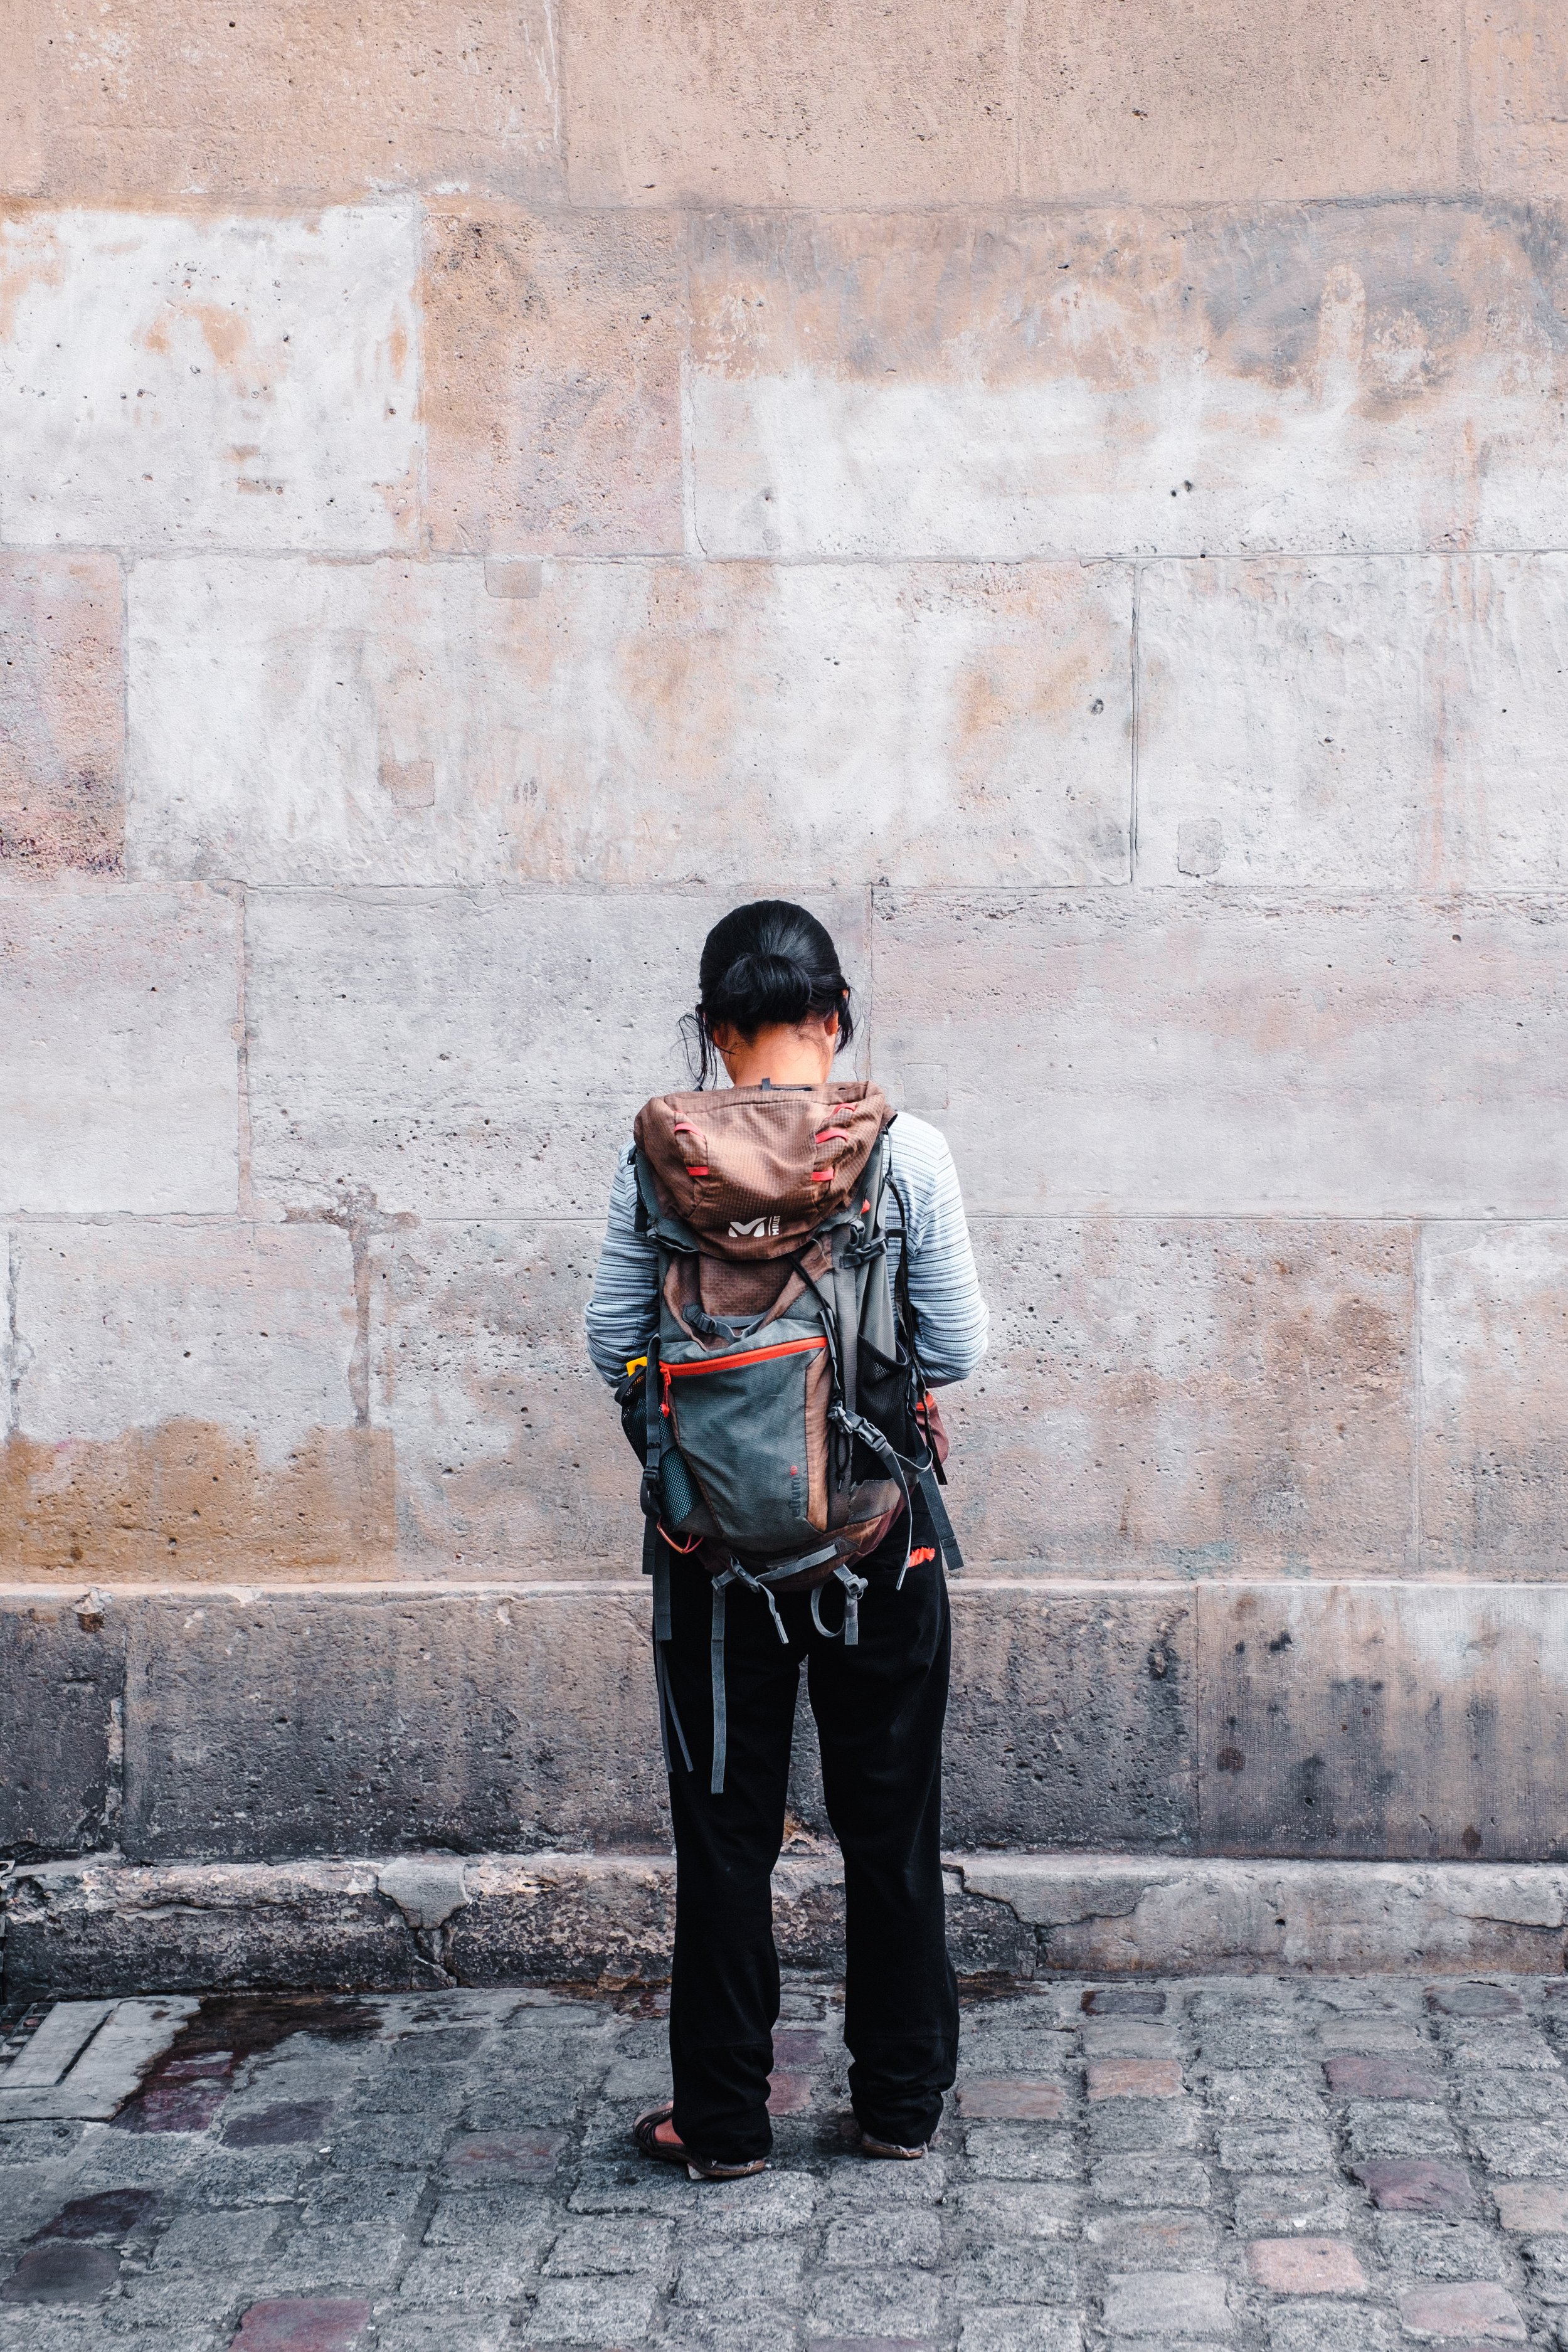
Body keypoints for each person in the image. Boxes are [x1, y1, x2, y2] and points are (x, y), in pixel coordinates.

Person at [584, 900, 988, 2180]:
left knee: (722, 1837)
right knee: (890, 1828)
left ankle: (720, 2126)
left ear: (713, 1031)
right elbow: (961, 1345)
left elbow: (611, 1344)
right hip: (878, 1542)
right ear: (833, 1018)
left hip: (709, 1561)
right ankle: (897, 2107)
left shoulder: (660, 1157)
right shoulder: (903, 1150)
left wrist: (698, 1463)